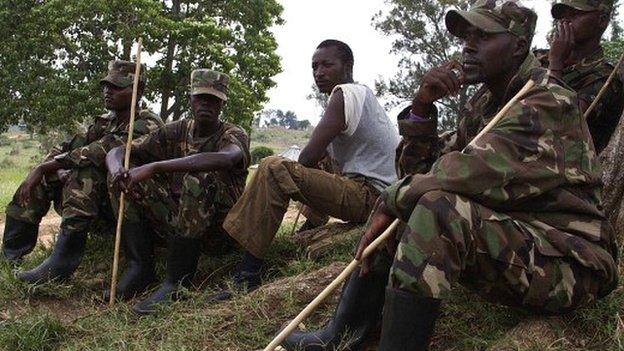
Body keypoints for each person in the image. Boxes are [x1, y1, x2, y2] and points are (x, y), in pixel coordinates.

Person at [284, 2, 619, 350]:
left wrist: (390, 198)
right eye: (466, 36)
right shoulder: (484, 104)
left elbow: (464, 173)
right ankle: (346, 333)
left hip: (571, 263)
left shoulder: (547, 100)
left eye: (483, 36)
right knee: (418, 197)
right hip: (521, 240)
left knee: (436, 207)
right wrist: (422, 108)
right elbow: (419, 175)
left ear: (519, 46)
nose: (468, 46)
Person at [219, 39, 400, 299]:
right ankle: (308, 231)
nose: (319, 72)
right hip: (377, 196)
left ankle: (247, 274)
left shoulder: (345, 93)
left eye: (327, 64)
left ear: (347, 66)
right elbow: (318, 155)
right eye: (314, 67)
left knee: (273, 167)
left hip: (372, 198)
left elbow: (306, 158)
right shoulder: (360, 96)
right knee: (321, 159)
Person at [106, 69, 250, 314]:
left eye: (213, 99)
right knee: (128, 179)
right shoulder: (177, 129)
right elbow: (120, 150)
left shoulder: (233, 134)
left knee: (199, 178)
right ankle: (140, 267)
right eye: (201, 97)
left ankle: (177, 282)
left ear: (223, 102)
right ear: (191, 99)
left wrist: (155, 166)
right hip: (179, 225)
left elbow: (226, 159)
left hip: (221, 230)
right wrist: (117, 169)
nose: (206, 104)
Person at [7, 60, 164, 284]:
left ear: (138, 90)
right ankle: (11, 255)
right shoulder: (105, 122)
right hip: (103, 204)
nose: (108, 92)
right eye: (107, 86)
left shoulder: (147, 124)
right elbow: (67, 148)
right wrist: (47, 169)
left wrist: (48, 166)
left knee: (85, 174)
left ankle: (61, 264)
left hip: (136, 209)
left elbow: (97, 151)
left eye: (118, 87)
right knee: (43, 178)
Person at [535, 0, 623, 152]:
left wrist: (556, 65)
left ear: (602, 20)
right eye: (562, 15)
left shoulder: (606, 77)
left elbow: (558, 125)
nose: (565, 20)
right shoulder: (538, 59)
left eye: (575, 14)